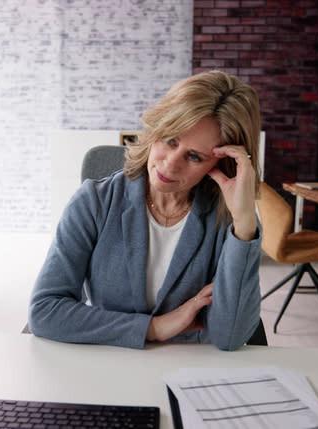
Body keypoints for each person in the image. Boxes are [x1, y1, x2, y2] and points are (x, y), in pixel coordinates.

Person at [28, 71, 263, 351]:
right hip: (111, 360)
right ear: (155, 130)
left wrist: (245, 225)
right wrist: (154, 328)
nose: (170, 165)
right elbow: (45, 311)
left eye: (194, 156)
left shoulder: (227, 221)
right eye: (170, 140)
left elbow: (230, 337)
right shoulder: (94, 202)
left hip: (189, 366)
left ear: (223, 165)